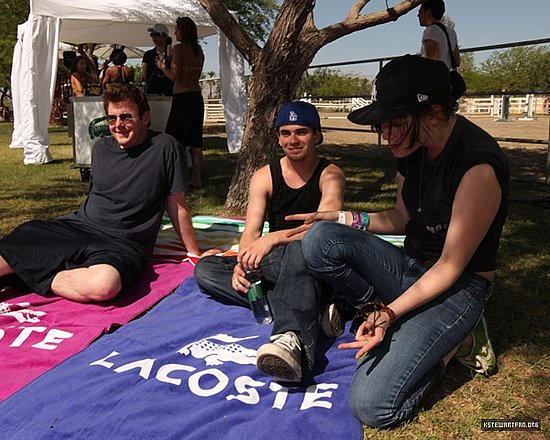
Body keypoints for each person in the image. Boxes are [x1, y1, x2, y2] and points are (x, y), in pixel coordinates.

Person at [293, 55, 509, 427]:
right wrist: (339, 217)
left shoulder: (476, 167)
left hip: (459, 286)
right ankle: (388, 313)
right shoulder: (413, 150)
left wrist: (391, 314)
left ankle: (453, 344)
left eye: (396, 123)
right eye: (383, 124)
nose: (387, 135)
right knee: (320, 238)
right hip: (411, 266)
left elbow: (450, 267)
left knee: (372, 406)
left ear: (434, 113)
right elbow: (399, 219)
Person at [0, 84, 210, 303]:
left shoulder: (166, 147)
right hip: (77, 228)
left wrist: (194, 252)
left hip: (123, 243)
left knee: (104, 286)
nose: (118, 125)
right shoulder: (101, 148)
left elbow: (176, 204)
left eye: (126, 117)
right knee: (10, 251)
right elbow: (95, 197)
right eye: (112, 119)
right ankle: (32, 266)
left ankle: (26, 272)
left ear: (145, 117)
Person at [194, 101, 345, 382]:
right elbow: (251, 232)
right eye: (285, 133)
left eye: (301, 132)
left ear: (317, 136)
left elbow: (326, 228)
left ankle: (292, 344)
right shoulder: (264, 176)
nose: (293, 140)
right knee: (206, 269)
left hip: (313, 257)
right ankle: (317, 306)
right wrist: (243, 262)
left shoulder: (330, 174)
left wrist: (273, 238)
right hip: (274, 262)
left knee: (301, 250)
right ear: (278, 138)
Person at [156, 16, 204, 188]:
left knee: (175, 140)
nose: (175, 32)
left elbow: (173, 75)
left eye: (176, 29)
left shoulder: (179, 48)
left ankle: (178, 177)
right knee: (196, 141)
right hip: (196, 98)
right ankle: (197, 178)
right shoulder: (199, 51)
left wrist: (163, 67)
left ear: (183, 30)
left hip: (182, 98)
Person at [418, 0, 460, 70]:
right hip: (448, 78)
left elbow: (431, 63)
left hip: (436, 79)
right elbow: (457, 61)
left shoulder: (430, 31)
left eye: (420, 12)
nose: (418, 15)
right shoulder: (451, 31)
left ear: (428, 13)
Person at [141, 24, 174, 96]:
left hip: (170, 93)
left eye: (157, 34)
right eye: (152, 35)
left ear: (165, 36)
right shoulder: (148, 54)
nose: (153, 37)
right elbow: (144, 76)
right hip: (152, 93)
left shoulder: (173, 53)